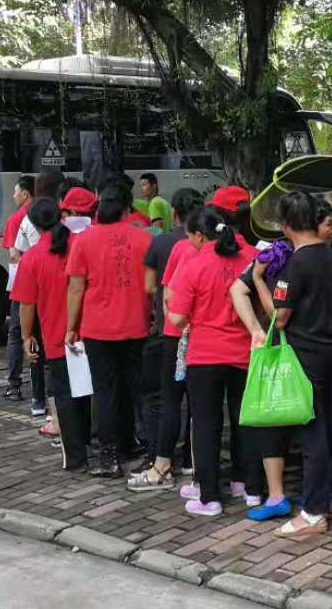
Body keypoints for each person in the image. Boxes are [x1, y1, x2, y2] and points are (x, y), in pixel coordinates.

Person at [252, 191, 332, 537]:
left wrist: (258, 280)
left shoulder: (295, 265)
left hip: (306, 357)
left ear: (285, 226)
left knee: (314, 432)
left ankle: (313, 511)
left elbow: (280, 316)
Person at [167, 205, 259, 516]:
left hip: (205, 355)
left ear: (199, 235)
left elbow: (176, 317)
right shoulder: (250, 258)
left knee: (206, 425)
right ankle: (247, 485)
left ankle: (209, 497)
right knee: (245, 420)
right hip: (245, 352)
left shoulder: (194, 264)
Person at [65, 181, 154, 478]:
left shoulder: (83, 241)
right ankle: (138, 447)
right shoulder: (144, 239)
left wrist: (71, 327)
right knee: (135, 389)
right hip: (136, 324)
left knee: (106, 391)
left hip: (97, 328)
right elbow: (152, 286)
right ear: (128, 209)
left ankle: (110, 457)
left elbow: (75, 289)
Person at [127, 188, 202, 491]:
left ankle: (162, 461)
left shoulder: (163, 243)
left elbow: (150, 287)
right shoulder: (213, 244)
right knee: (199, 403)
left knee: (167, 398)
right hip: (204, 332)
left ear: (173, 212)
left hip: (170, 330)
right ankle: (192, 459)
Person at [12, 197, 92, 471]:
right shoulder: (81, 244)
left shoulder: (32, 258)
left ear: (34, 225)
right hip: (91, 332)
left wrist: (26, 337)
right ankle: (94, 444)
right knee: (87, 392)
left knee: (66, 395)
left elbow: (26, 304)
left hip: (57, 336)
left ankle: (77, 457)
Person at [232, 237, 293, 519]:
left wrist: (256, 329)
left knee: (272, 419)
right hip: (299, 350)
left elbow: (237, 290)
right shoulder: (282, 255)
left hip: (278, 352)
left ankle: (277, 494)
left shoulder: (273, 255)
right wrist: (257, 329)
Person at [8, 170, 58, 407]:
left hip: (33, 291)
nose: (13, 196)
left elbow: (16, 253)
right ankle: (55, 405)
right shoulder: (67, 227)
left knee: (34, 343)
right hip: (57, 297)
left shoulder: (24, 220)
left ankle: (38, 400)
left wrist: (26, 335)